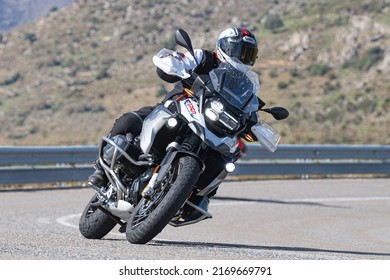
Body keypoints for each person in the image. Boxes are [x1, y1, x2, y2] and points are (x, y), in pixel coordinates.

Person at [88, 27, 259, 190]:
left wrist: (254, 123)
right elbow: (182, 61)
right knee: (129, 120)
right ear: (224, 47)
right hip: (175, 108)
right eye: (238, 52)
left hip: (211, 125)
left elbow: (250, 107)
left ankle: (195, 194)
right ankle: (101, 169)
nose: (241, 58)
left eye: (247, 54)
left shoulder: (245, 84)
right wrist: (175, 65)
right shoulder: (203, 58)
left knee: (227, 157)